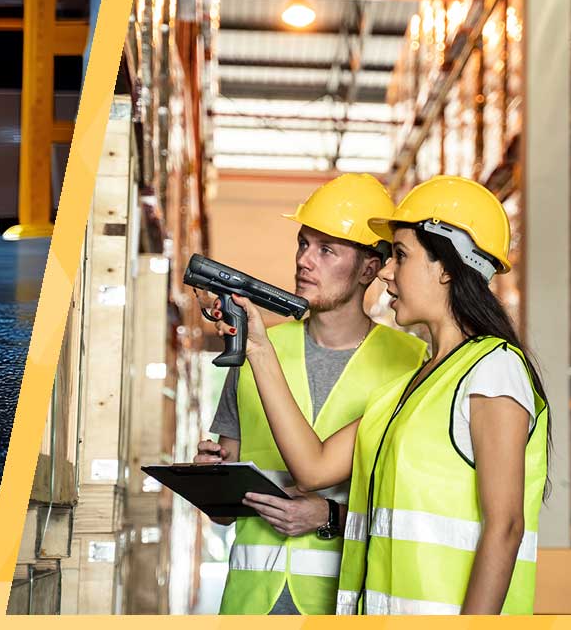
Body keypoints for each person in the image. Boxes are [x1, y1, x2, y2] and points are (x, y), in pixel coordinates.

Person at [224, 175, 549, 614]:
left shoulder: (494, 371)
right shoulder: (411, 387)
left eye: (400, 255)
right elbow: (312, 468)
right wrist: (259, 348)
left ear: (448, 266)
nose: (387, 272)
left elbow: (506, 526)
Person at [191, 174, 426, 615]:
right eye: (303, 244)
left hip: (341, 604)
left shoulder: (412, 363)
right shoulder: (257, 348)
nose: (304, 261)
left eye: (326, 250)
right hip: (249, 607)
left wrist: (329, 517)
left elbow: (415, 508)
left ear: (370, 269)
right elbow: (223, 515)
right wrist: (212, 480)